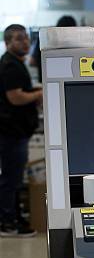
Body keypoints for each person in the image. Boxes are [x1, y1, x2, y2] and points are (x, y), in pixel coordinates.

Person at [0, 24, 42, 236]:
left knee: (15, 178)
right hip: (11, 133)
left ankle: (14, 217)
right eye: (18, 39)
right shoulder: (10, 65)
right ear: (8, 43)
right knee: (11, 179)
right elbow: (15, 97)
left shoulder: (17, 63)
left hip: (17, 132)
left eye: (26, 38)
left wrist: (36, 91)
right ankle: (7, 223)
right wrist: (38, 95)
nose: (25, 42)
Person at [30, 15, 77, 83]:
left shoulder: (44, 37)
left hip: (45, 81)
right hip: (68, 82)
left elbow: (32, 62)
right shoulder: (75, 41)